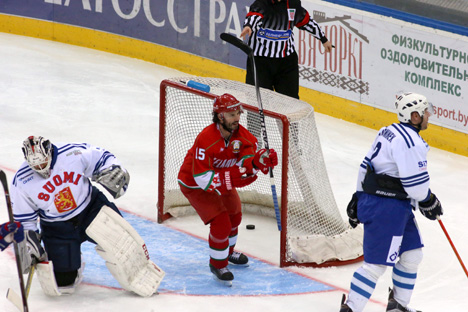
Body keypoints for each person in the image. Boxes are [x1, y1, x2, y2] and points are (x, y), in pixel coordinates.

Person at [10, 136, 164, 296]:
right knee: (63, 283)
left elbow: (102, 157)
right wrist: (28, 243)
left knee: (124, 245)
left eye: (42, 162)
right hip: (58, 227)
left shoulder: (71, 153)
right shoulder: (22, 180)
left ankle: (140, 273)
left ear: (49, 152)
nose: (41, 168)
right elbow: (24, 219)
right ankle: (72, 262)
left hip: (91, 209)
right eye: (35, 165)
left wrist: (112, 168)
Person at [339, 92, 443, 312]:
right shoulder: (410, 141)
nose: (428, 116)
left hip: (392, 205)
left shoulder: (389, 130)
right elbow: (415, 186)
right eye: (425, 112)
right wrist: (428, 200)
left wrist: (358, 196)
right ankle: (351, 308)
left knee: (411, 254)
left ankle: (398, 306)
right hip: (386, 207)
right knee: (376, 265)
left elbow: (365, 165)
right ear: (415, 116)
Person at [178, 93, 278, 285]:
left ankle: (228, 253)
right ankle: (217, 263)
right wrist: (228, 178)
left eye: (237, 113)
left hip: (220, 179)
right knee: (221, 222)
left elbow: (245, 161)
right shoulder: (206, 138)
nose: (237, 118)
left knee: (235, 214)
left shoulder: (243, 136)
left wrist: (259, 161)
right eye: (231, 114)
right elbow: (202, 178)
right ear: (220, 116)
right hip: (194, 184)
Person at [240, 0, 333, 99]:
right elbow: (254, 15)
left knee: (290, 101)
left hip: (286, 63)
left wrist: (323, 39)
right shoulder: (262, 3)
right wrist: (248, 26)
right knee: (256, 100)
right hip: (260, 63)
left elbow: (307, 22)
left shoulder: (293, 4)